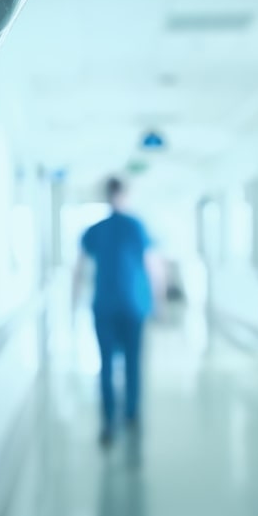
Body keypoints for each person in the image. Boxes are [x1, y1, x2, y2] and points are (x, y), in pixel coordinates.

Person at [74, 177, 163, 447]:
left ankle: (109, 422)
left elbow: (78, 270)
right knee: (133, 363)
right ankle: (131, 415)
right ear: (124, 195)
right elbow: (153, 267)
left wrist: (72, 303)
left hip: (105, 306)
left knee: (106, 365)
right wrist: (159, 303)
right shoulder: (136, 226)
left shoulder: (95, 230)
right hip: (133, 306)